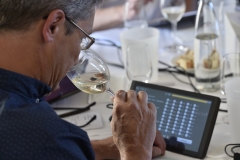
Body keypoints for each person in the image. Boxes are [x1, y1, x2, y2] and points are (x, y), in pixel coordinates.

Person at [0, 0, 166, 159]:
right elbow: (43, 146)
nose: (76, 60)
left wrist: (102, 148)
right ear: (53, 26)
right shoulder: (45, 137)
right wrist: (135, 150)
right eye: (82, 40)